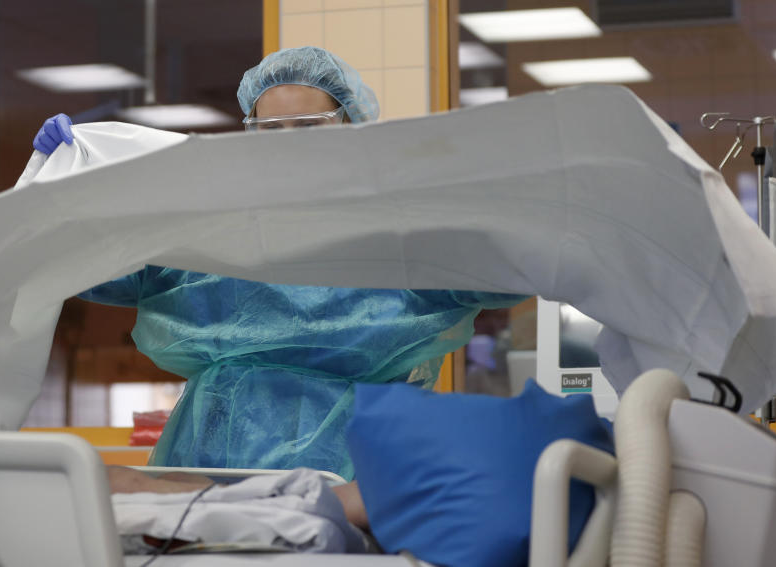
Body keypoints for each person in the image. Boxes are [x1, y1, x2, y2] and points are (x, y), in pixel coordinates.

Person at [32, 46, 525, 480]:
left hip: (353, 463)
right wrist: (68, 191)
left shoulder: (394, 232)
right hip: (204, 458)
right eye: (270, 129)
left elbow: (508, 272)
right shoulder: (212, 227)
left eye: (309, 127)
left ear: (352, 127)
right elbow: (96, 269)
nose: (288, 142)